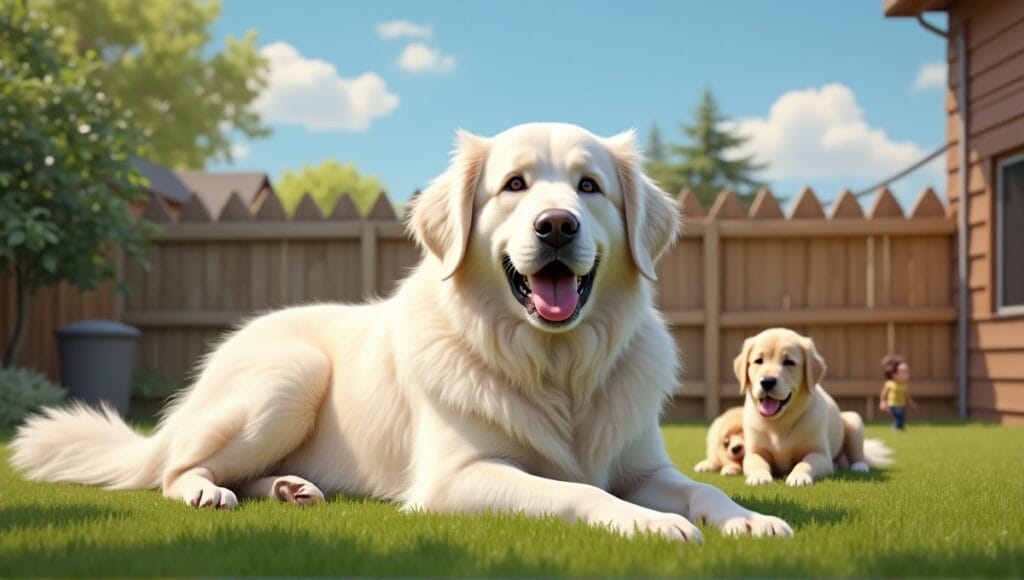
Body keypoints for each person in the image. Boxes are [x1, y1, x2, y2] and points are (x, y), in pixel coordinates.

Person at [879, 354, 917, 430]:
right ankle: (896, 427)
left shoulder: (904, 385)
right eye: (903, 372)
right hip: (893, 404)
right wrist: (882, 402)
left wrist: (911, 402)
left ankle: (901, 427)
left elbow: (906, 395)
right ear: (894, 374)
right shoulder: (890, 384)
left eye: (907, 372)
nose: (907, 374)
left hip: (901, 404)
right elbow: (884, 393)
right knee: (898, 416)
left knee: (902, 416)